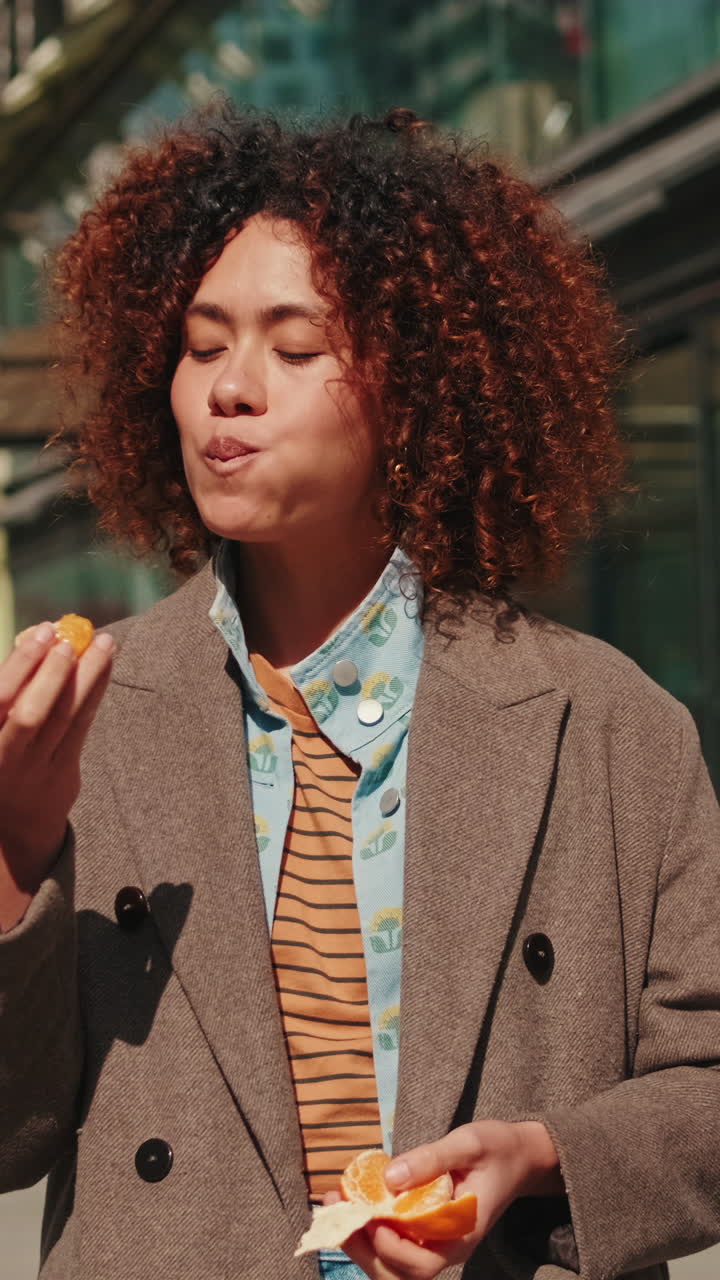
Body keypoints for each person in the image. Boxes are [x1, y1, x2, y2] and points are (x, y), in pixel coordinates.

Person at [0, 103, 719, 1280]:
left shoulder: (602, 721)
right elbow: (9, 1136)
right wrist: (14, 851)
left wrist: (543, 1152)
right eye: (200, 341)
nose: (231, 389)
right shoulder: (93, 711)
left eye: (295, 347)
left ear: (416, 389)